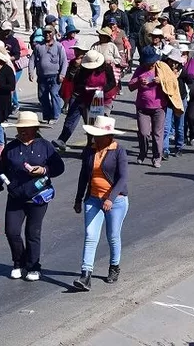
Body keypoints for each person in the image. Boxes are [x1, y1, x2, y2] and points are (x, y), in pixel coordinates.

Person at [0, 111, 66, 282]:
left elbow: (59, 167)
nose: (23, 131)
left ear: (35, 129)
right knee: (12, 232)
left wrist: (44, 170)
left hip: (38, 198)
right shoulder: (11, 148)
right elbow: (1, 171)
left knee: (32, 233)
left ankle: (33, 267)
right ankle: (18, 262)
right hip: (15, 197)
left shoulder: (44, 146)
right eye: (20, 128)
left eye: (27, 128)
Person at [72, 116, 129, 291]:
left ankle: (114, 267)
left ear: (108, 136)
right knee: (90, 235)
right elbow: (83, 176)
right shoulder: (90, 151)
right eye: (94, 135)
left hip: (116, 200)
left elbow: (123, 178)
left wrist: (110, 198)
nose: (95, 138)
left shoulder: (118, 150)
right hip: (93, 199)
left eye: (98, 135)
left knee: (112, 235)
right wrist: (79, 198)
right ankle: (86, 275)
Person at [53, 50, 117, 152]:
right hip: (85, 98)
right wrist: (85, 88)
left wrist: (101, 89)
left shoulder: (107, 68)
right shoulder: (83, 70)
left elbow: (112, 83)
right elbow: (77, 84)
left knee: (97, 124)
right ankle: (67, 140)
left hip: (102, 100)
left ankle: (93, 146)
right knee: (85, 122)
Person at [128, 46, 178, 168]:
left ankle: (157, 157)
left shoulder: (162, 68)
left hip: (159, 107)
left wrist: (161, 81)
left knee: (157, 133)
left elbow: (172, 82)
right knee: (144, 133)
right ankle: (142, 153)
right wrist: (138, 82)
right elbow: (130, 86)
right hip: (142, 107)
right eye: (148, 63)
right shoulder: (140, 70)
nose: (150, 65)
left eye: (152, 62)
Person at [29, 25, 67, 125]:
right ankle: (47, 115)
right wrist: (30, 72)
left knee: (54, 94)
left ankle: (55, 116)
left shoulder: (59, 46)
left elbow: (64, 61)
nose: (47, 34)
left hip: (55, 76)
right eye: (46, 32)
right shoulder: (38, 46)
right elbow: (32, 60)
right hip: (42, 76)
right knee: (42, 96)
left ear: (53, 33)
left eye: (50, 32)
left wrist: (62, 74)